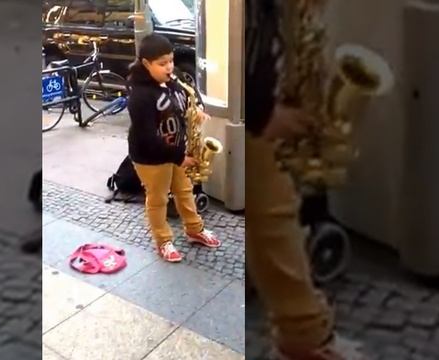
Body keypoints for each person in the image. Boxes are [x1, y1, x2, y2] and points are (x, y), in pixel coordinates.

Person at [245, 1, 366, 359]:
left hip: (259, 102)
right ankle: (305, 339)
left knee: (278, 213)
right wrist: (262, 112)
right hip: (253, 116)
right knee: (274, 218)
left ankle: (305, 333)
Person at [127, 34, 221, 262]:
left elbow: (182, 104)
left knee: (185, 191)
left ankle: (194, 229)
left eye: (170, 60)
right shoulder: (139, 95)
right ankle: (163, 241)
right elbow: (148, 137)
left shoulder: (173, 81)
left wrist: (195, 112)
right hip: (150, 157)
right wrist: (179, 157)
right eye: (162, 63)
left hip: (176, 150)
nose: (169, 67)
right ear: (146, 63)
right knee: (158, 199)